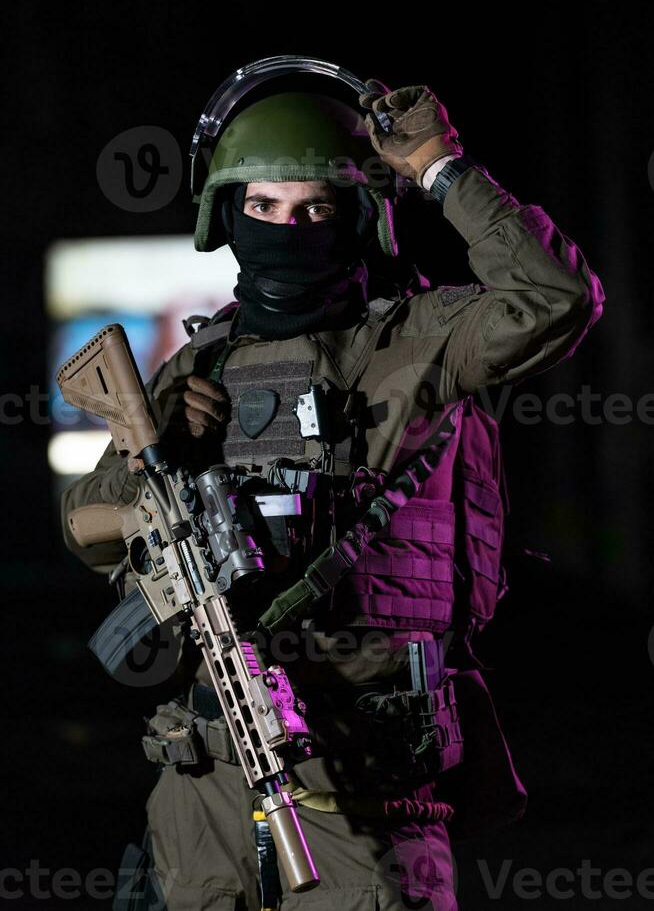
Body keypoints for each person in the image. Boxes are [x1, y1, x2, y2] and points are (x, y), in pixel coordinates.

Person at [61, 80, 604, 910]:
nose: (287, 227)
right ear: (227, 214)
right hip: (202, 775)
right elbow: (86, 531)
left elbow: (556, 299)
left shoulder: (419, 341)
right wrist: (151, 455)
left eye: (314, 208)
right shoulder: (195, 367)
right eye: (265, 205)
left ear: (356, 217)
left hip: (361, 779)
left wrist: (437, 167)